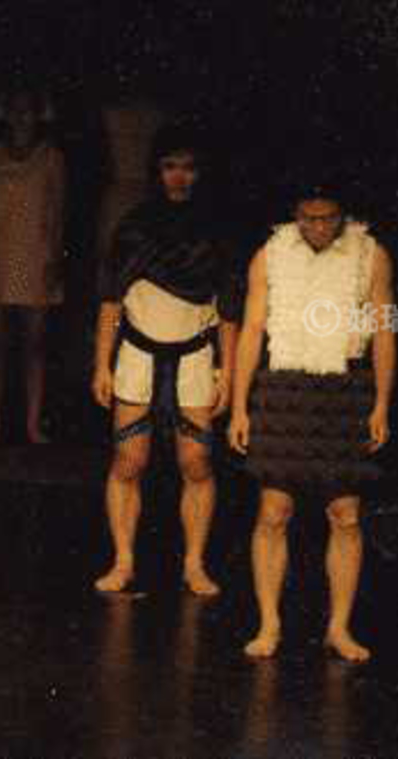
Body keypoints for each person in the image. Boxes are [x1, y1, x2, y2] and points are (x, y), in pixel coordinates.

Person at [229, 184, 394, 662]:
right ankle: (269, 624)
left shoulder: (370, 254)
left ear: (342, 215)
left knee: (345, 515)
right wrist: (239, 406)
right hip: (284, 389)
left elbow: (384, 329)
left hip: (345, 390)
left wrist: (382, 403)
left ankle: (338, 628)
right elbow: (252, 330)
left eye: (328, 218)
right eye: (309, 218)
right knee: (273, 511)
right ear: (296, 215)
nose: (319, 227)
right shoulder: (270, 254)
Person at [91, 127, 240, 596]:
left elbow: (230, 311)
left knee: (196, 462)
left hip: (195, 356)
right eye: (170, 166)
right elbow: (111, 301)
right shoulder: (134, 226)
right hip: (137, 354)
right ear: (156, 171)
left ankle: (194, 564)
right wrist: (101, 364)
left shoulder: (216, 229)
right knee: (128, 459)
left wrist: (229, 372)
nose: (179, 176)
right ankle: (123, 561)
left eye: (189, 167)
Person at [0, 87, 66, 444]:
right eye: (16, 110)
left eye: (28, 110)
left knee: (34, 345)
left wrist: (54, 260)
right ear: (5, 114)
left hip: (36, 256)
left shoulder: (52, 157)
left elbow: (58, 213)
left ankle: (32, 424)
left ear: (38, 115)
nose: (21, 117)